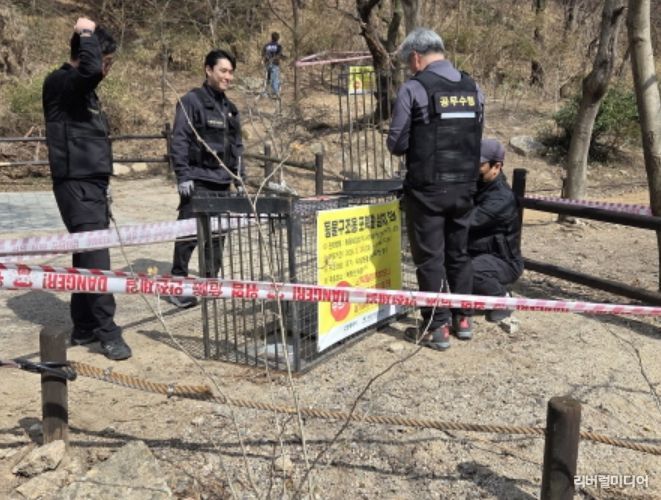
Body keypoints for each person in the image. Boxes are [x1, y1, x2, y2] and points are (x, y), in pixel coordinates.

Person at [387, 27, 484, 351]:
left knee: (430, 258)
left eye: (408, 62)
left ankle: (437, 327)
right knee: (459, 253)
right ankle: (463, 319)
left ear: (416, 57)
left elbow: (396, 144)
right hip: (465, 187)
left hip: (427, 190)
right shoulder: (473, 87)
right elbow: (476, 135)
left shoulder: (414, 88)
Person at [42, 17, 131, 360]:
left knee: (85, 254)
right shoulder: (61, 83)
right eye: (106, 62)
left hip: (92, 186)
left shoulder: (85, 93)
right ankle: (108, 332)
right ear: (87, 54)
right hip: (75, 185)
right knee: (97, 256)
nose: (106, 70)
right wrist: (87, 32)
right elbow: (90, 70)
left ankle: (83, 326)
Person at [168, 49, 244, 308]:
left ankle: (210, 281)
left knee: (218, 237)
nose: (228, 77)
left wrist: (239, 178)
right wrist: (182, 175)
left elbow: (237, 147)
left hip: (223, 182)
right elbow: (179, 139)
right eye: (223, 70)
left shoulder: (230, 109)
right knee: (188, 234)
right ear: (208, 70)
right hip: (197, 180)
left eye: (231, 72)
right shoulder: (191, 101)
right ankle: (177, 284)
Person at [469, 139, 523, 322]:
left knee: (469, 270)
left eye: (480, 165)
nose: (474, 168)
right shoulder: (480, 185)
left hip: (503, 261)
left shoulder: (501, 198)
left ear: (496, 166)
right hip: (479, 254)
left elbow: (467, 220)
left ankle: (502, 298)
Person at [262, 32, 283, 98]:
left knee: (267, 79)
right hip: (275, 64)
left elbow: (263, 54)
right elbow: (279, 55)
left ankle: (265, 92)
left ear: (271, 37)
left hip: (267, 64)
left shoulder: (266, 45)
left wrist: (265, 59)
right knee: (275, 79)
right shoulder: (278, 46)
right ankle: (275, 93)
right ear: (278, 38)